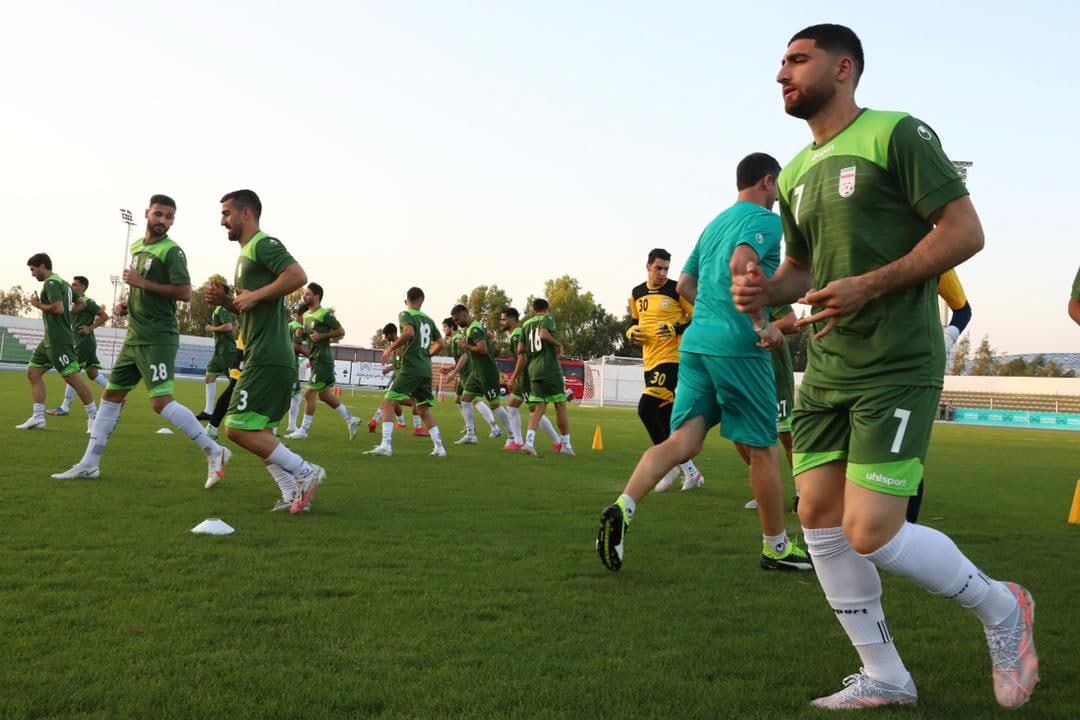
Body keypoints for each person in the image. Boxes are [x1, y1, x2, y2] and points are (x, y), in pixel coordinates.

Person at [731, 24, 1036, 709]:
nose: (782, 72)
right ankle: (886, 677)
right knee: (819, 520)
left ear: (844, 69)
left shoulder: (896, 133)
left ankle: (1003, 608)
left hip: (896, 362)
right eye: (781, 62)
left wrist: (871, 285)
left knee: (872, 531)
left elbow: (964, 232)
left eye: (797, 60)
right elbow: (803, 271)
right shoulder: (800, 170)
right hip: (829, 369)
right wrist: (765, 289)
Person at [596, 153, 812, 576]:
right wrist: (755, 321)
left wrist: (712, 311)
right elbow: (741, 265)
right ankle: (777, 547)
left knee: (683, 441)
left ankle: (625, 505)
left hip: (695, 344)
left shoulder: (715, 223)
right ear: (768, 182)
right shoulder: (766, 221)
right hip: (738, 347)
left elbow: (687, 284)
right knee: (765, 448)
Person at [52, 195, 230, 488]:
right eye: (158, 214)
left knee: (160, 403)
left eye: (169, 217)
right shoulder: (137, 247)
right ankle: (90, 463)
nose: (162, 221)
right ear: (147, 213)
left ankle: (214, 450)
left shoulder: (172, 251)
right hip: (135, 336)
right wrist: (127, 303)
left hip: (158, 337)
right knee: (110, 398)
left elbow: (185, 292)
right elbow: (139, 287)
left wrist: (141, 284)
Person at [205, 189, 325, 511]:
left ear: (246, 213)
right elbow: (254, 307)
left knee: (236, 427)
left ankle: (306, 472)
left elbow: (297, 275)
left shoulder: (263, 244)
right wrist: (229, 302)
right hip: (265, 351)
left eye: (226, 213)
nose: (222, 221)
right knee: (261, 431)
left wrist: (255, 296)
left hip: (268, 354)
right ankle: (290, 493)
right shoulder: (245, 255)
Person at [626, 248, 703, 492]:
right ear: (648, 266)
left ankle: (667, 464)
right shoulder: (637, 293)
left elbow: (699, 315)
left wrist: (676, 329)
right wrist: (630, 332)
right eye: (658, 268)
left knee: (645, 409)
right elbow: (635, 322)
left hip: (672, 359)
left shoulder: (675, 290)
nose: (662, 273)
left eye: (666, 269)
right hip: (649, 361)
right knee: (665, 420)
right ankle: (691, 472)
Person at [903, 269, 975, 523]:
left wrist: (948, 335)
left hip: (915, 367)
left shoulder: (934, 254)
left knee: (907, 453)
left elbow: (963, 310)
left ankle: (907, 528)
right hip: (863, 362)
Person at [18, 255, 98, 431]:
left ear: (42, 266)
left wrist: (37, 304)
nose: (32, 274)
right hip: (49, 339)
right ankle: (38, 417)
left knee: (73, 379)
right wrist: (68, 315)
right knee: (33, 373)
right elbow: (81, 303)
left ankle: (94, 417)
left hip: (58, 340)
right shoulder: (64, 283)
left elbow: (58, 308)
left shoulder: (51, 283)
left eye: (33, 269)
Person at [365, 287, 447, 457]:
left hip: (411, 368)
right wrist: (426, 354)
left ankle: (386, 445)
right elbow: (440, 343)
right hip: (426, 368)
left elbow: (408, 333)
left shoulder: (405, 314)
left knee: (388, 401)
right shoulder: (429, 320)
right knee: (423, 409)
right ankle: (439, 448)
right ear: (422, 301)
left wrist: (389, 349)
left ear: (406, 301)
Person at [285, 283, 361, 440]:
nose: (304, 296)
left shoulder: (324, 314)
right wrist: (303, 333)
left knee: (308, 392)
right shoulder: (306, 315)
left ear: (317, 296)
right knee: (325, 396)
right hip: (315, 358)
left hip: (323, 359)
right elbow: (310, 335)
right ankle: (350, 419)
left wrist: (322, 336)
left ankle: (304, 430)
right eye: (304, 294)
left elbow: (341, 331)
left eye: (307, 294)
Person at [742, 304, 799, 512]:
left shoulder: (769, 289)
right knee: (744, 437)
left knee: (788, 437)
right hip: (746, 374)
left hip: (774, 375)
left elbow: (792, 322)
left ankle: (801, 494)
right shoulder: (725, 291)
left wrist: (754, 329)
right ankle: (764, 490)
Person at [48, 275, 110, 424]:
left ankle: (65, 407)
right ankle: (118, 396)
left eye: (75, 285)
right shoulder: (75, 302)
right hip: (83, 341)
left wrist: (90, 328)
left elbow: (104, 315)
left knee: (72, 372)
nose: (72, 287)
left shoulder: (88, 302)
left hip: (83, 342)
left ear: (83, 287)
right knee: (92, 373)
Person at [500, 307, 563, 451]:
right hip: (527, 376)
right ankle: (520, 441)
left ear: (513, 319)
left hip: (527, 377)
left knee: (532, 409)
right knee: (519, 407)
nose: (501, 322)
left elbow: (522, 357)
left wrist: (513, 378)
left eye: (504, 319)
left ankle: (521, 441)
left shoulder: (517, 334)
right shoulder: (518, 332)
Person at [450, 304, 511, 445]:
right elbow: (489, 335)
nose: (456, 323)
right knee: (465, 399)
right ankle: (471, 434)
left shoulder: (475, 328)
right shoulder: (475, 327)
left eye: (457, 319)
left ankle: (512, 436)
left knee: (495, 405)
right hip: (476, 372)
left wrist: (466, 345)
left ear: (465, 314)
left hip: (487, 373)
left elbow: (482, 350)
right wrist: (490, 339)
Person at [519, 298, 574, 456]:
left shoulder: (526, 324)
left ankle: (529, 442)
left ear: (533, 309)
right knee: (560, 405)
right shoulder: (547, 318)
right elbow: (543, 334)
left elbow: (520, 348)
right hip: (549, 368)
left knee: (539, 408)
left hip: (533, 370)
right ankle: (566, 445)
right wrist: (557, 344)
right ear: (547, 308)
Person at [367, 322, 425, 435]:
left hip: (405, 376)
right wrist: (389, 369)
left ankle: (376, 420)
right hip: (400, 376)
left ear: (393, 333)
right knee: (398, 400)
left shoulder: (401, 345)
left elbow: (404, 362)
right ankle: (412, 426)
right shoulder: (395, 346)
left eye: (386, 335)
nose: (385, 338)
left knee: (395, 400)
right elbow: (398, 363)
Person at [197, 289, 237, 421]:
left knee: (235, 384)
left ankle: (239, 411)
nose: (211, 294)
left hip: (227, 352)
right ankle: (208, 412)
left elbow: (229, 326)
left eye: (214, 292)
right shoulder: (224, 309)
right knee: (209, 377)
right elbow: (235, 324)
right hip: (219, 351)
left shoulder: (223, 309)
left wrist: (211, 329)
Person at [284, 303, 308, 435]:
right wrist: (310, 355)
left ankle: (292, 426)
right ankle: (274, 427)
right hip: (291, 365)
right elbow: (295, 346)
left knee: (297, 395)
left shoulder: (289, 325)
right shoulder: (298, 327)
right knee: (286, 396)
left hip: (287, 363)